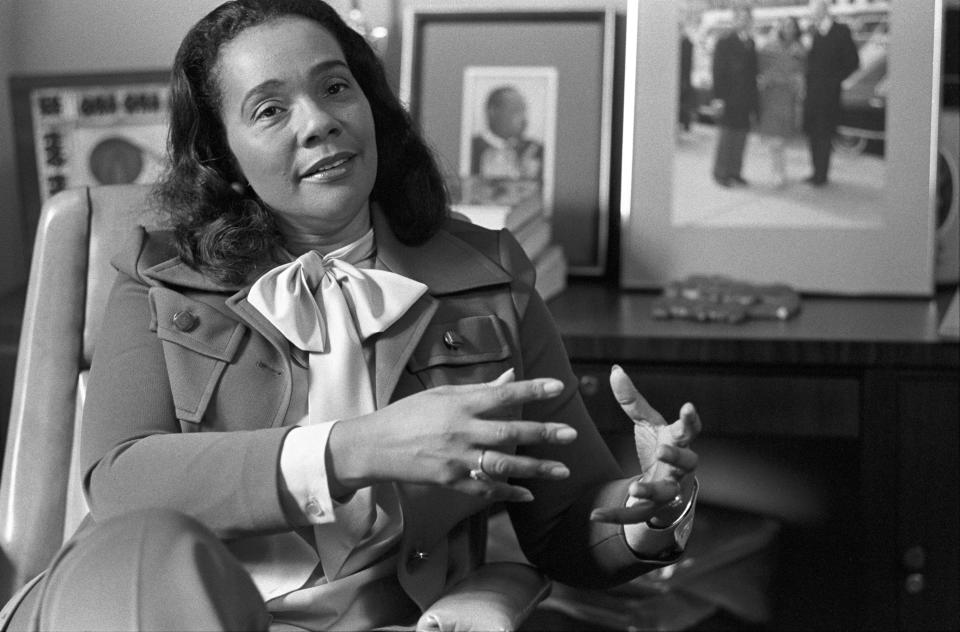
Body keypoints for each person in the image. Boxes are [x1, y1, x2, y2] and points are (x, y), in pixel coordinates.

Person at [1, 1, 702, 630]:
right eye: (270, 109)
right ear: (226, 157)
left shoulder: (490, 275)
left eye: (336, 87)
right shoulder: (157, 273)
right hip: (148, 608)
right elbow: (121, 483)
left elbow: (562, 524)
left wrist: (645, 511)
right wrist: (356, 447)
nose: (320, 122)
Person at [802, 0, 859, 186]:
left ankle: (821, 175)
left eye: (816, 10)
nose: (813, 14)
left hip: (829, 95)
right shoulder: (811, 32)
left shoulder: (841, 31)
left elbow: (853, 62)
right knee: (812, 134)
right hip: (811, 94)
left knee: (824, 134)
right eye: (812, 11)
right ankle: (814, 171)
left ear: (826, 10)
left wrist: (834, 81)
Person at [710, 5, 759, 187]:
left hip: (745, 98)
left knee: (741, 136)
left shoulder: (750, 42)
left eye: (747, 18)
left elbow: (753, 73)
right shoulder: (725, 41)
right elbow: (717, 70)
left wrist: (754, 101)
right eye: (740, 17)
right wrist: (718, 98)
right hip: (728, 96)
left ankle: (735, 172)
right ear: (734, 20)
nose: (744, 21)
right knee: (726, 137)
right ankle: (721, 173)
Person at [757, 16, 807, 187]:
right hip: (772, 96)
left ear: (796, 29)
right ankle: (777, 172)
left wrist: (799, 86)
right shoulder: (769, 46)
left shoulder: (800, 48)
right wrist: (765, 80)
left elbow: (803, 72)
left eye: (792, 26)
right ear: (780, 28)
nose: (788, 29)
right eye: (785, 26)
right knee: (774, 138)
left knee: (782, 137)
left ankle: (780, 171)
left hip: (788, 97)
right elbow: (761, 68)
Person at [470, 85, 543, 182]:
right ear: (492, 112)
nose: (523, 119)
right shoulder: (471, 147)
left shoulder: (537, 150)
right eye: (515, 111)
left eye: (523, 111)